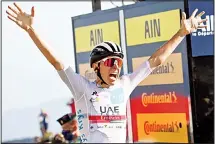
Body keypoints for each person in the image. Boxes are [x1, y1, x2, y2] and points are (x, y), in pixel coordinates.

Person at [6, 3, 207, 143]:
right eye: (110, 62)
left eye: (118, 62)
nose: (116, 67)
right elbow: (56, 61)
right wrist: (32, 30)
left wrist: (181, 33)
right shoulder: (82, 87)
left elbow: (155, 61)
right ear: (96, 67)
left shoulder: (124, 84)